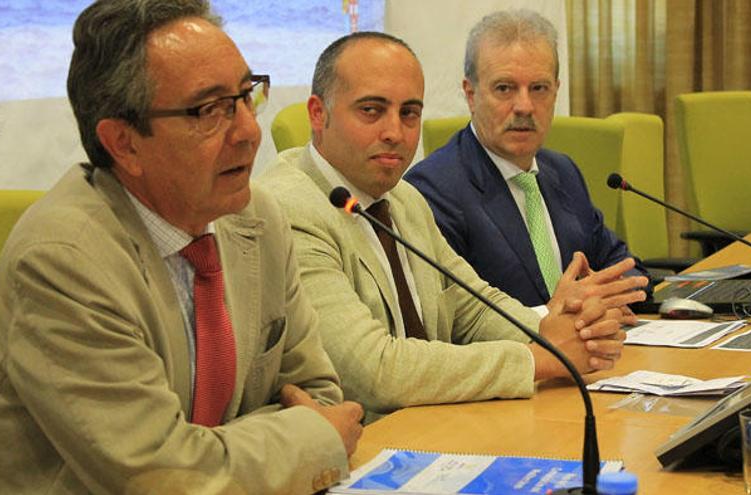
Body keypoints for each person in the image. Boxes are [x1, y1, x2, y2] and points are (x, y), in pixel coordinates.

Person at [0, 1, 361, 494]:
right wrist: (303, 440)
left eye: (246, 96)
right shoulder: (61, 262)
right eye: (209, 111)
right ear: (123, 143)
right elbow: (164, 477)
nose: (249, 132)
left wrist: (218, 454)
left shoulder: (258, 219)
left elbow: (318, 394)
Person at [259, 31, 647, 422]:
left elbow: (473, 307)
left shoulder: (403, 198)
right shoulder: (288, 209)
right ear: (317, 114)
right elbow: (376, 371)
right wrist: (539, 358)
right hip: (360, 445)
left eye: (409, 113)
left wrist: (562, 328)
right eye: (371, 111)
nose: (395, 132)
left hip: (435, 427)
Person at [404, 9, 651, 308]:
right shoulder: (433, 189)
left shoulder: (562, 171)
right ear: (471, 94)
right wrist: (560, 314)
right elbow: (453, 321)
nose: (524, 106)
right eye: (505, 88)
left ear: (556, 92)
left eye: (539, 88)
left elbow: (625, 267)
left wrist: (603, 296)